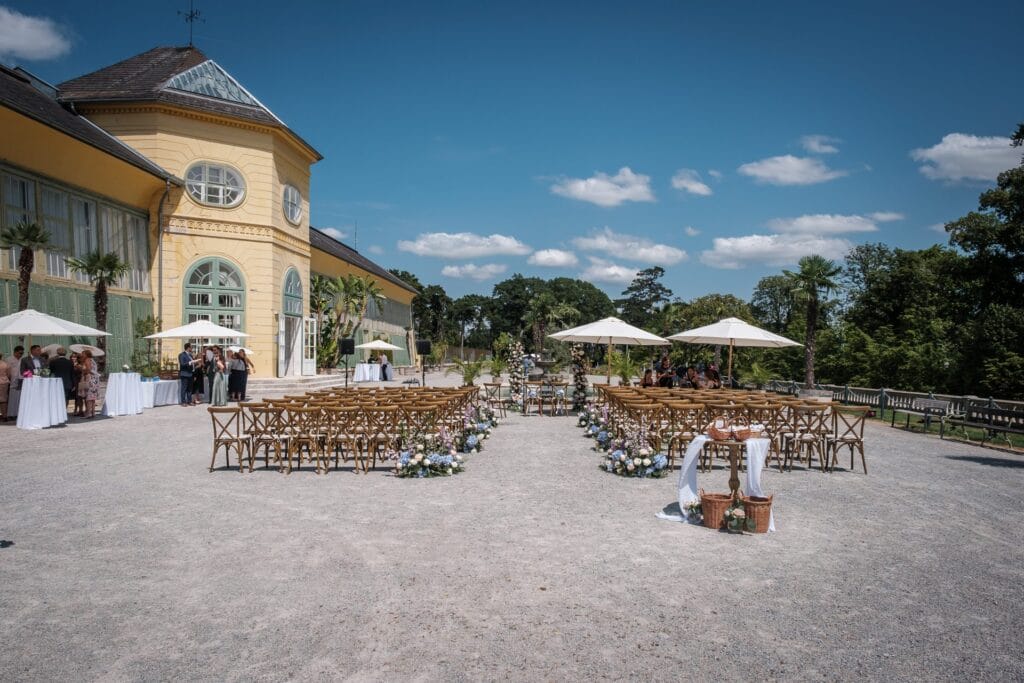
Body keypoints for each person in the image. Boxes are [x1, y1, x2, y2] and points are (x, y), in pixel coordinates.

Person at [77, 349, 100, 418]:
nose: (81, 355)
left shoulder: (87, 360)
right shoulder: (93, 360)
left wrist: (81, 368)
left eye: (82, 354)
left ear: (86, 354)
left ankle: (88, 413)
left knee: (89, 397)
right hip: (95, 379)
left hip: (89, 379)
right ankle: (93, 413)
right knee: (93, 397)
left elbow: (88, 370)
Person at [5, 345, 24, 420]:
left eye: (22, 353)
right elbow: (7, 371)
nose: (20, 355)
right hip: (11, 380)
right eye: (19, 353)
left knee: (19, 397)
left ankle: (18, 413)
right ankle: (11, 414)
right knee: (12, 398)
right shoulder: (9, 359)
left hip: (20, 380)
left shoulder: (23, 359)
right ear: (15, 352)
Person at [70, 352, 84, 416]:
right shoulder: (69, 364)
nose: (74, 358)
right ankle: (76, 410)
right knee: (75, 397)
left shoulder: (79, 364)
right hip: (72, 382)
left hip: (78, 382)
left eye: (75, 357)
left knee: (78, 397)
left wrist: (76, 366)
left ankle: (79, 410)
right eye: (72, 357)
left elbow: (81, 371)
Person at [0, 354, 8, 420]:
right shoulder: (5, 364)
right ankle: (4, 415)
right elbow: (9, 374)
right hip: (4, 382)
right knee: (3, 399)